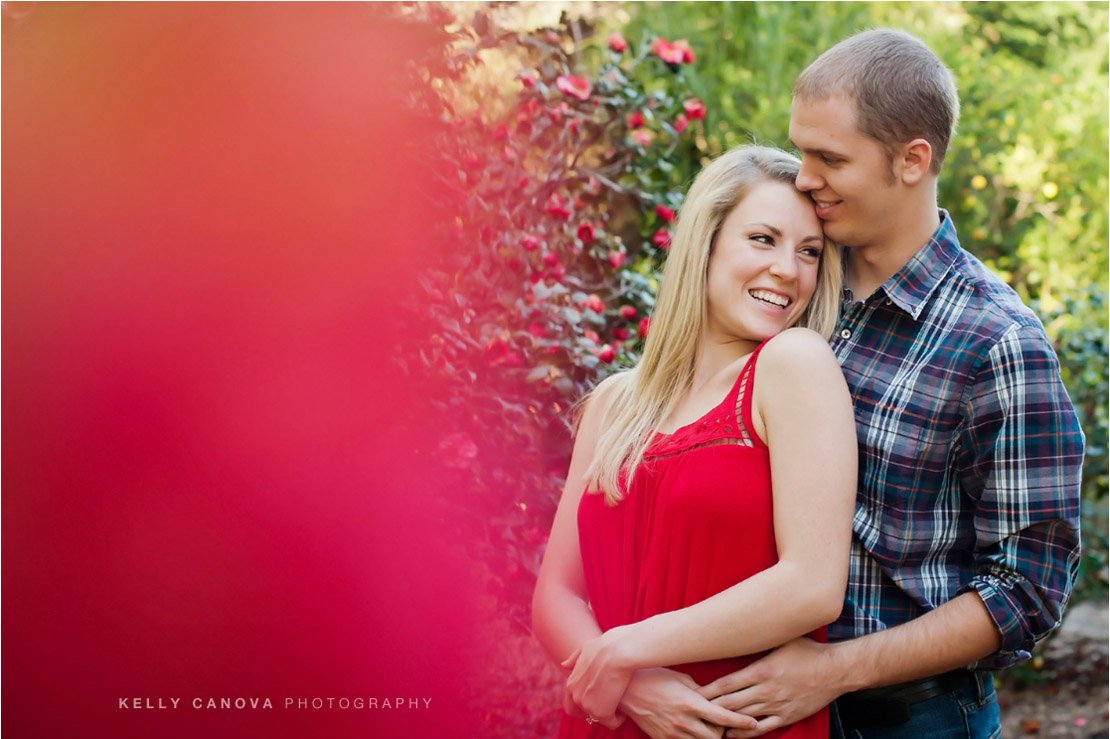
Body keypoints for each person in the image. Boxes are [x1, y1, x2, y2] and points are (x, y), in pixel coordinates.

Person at [694, 30, 1085, 739]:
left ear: (912, 160)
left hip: (913, 719)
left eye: (830, 158)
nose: (803, 177)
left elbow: (1028, 586)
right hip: (757, 706)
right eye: (801, 149)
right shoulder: (792, 285)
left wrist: (836, 668)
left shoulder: (998, 341)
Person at [532, 144, 859, 739]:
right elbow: (555, 594)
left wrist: (627, 651)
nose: (789, 269)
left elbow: (813, 586)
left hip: (728, 725)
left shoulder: (793, 365)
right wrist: (633, 686)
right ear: (703, 244)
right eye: (763, 239)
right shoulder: (614, 404)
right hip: (616, 718)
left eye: (809, 252)